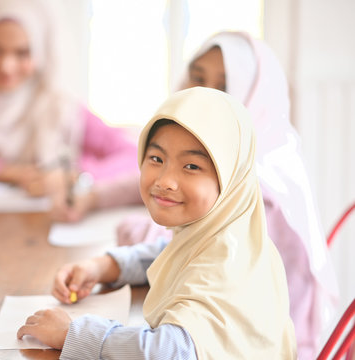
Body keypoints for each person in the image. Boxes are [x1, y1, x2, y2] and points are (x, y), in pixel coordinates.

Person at [16, 87, 297, 359]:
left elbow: (168, 352)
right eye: (156, 158)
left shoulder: (225, 261)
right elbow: (170, 252)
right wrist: (104, 266)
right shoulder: (226, 234)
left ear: (230, 177)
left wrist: (73, 334)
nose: (164, 180)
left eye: (192, 167)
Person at [115, 31, 338, 359]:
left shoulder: (257, 182)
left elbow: (183, 250)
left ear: (254, 94)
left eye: (223, 85)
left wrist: (85, 333)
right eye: (197, 77)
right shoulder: (259, 148)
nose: (203, 93)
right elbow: (184, 239)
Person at [0, 0, 141, 222]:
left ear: (41, 50)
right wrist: (5, 171)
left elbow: (133, 156)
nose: (7, 66)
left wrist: (72, 177)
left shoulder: (58, 102)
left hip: (51, 228)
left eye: (22, 53)